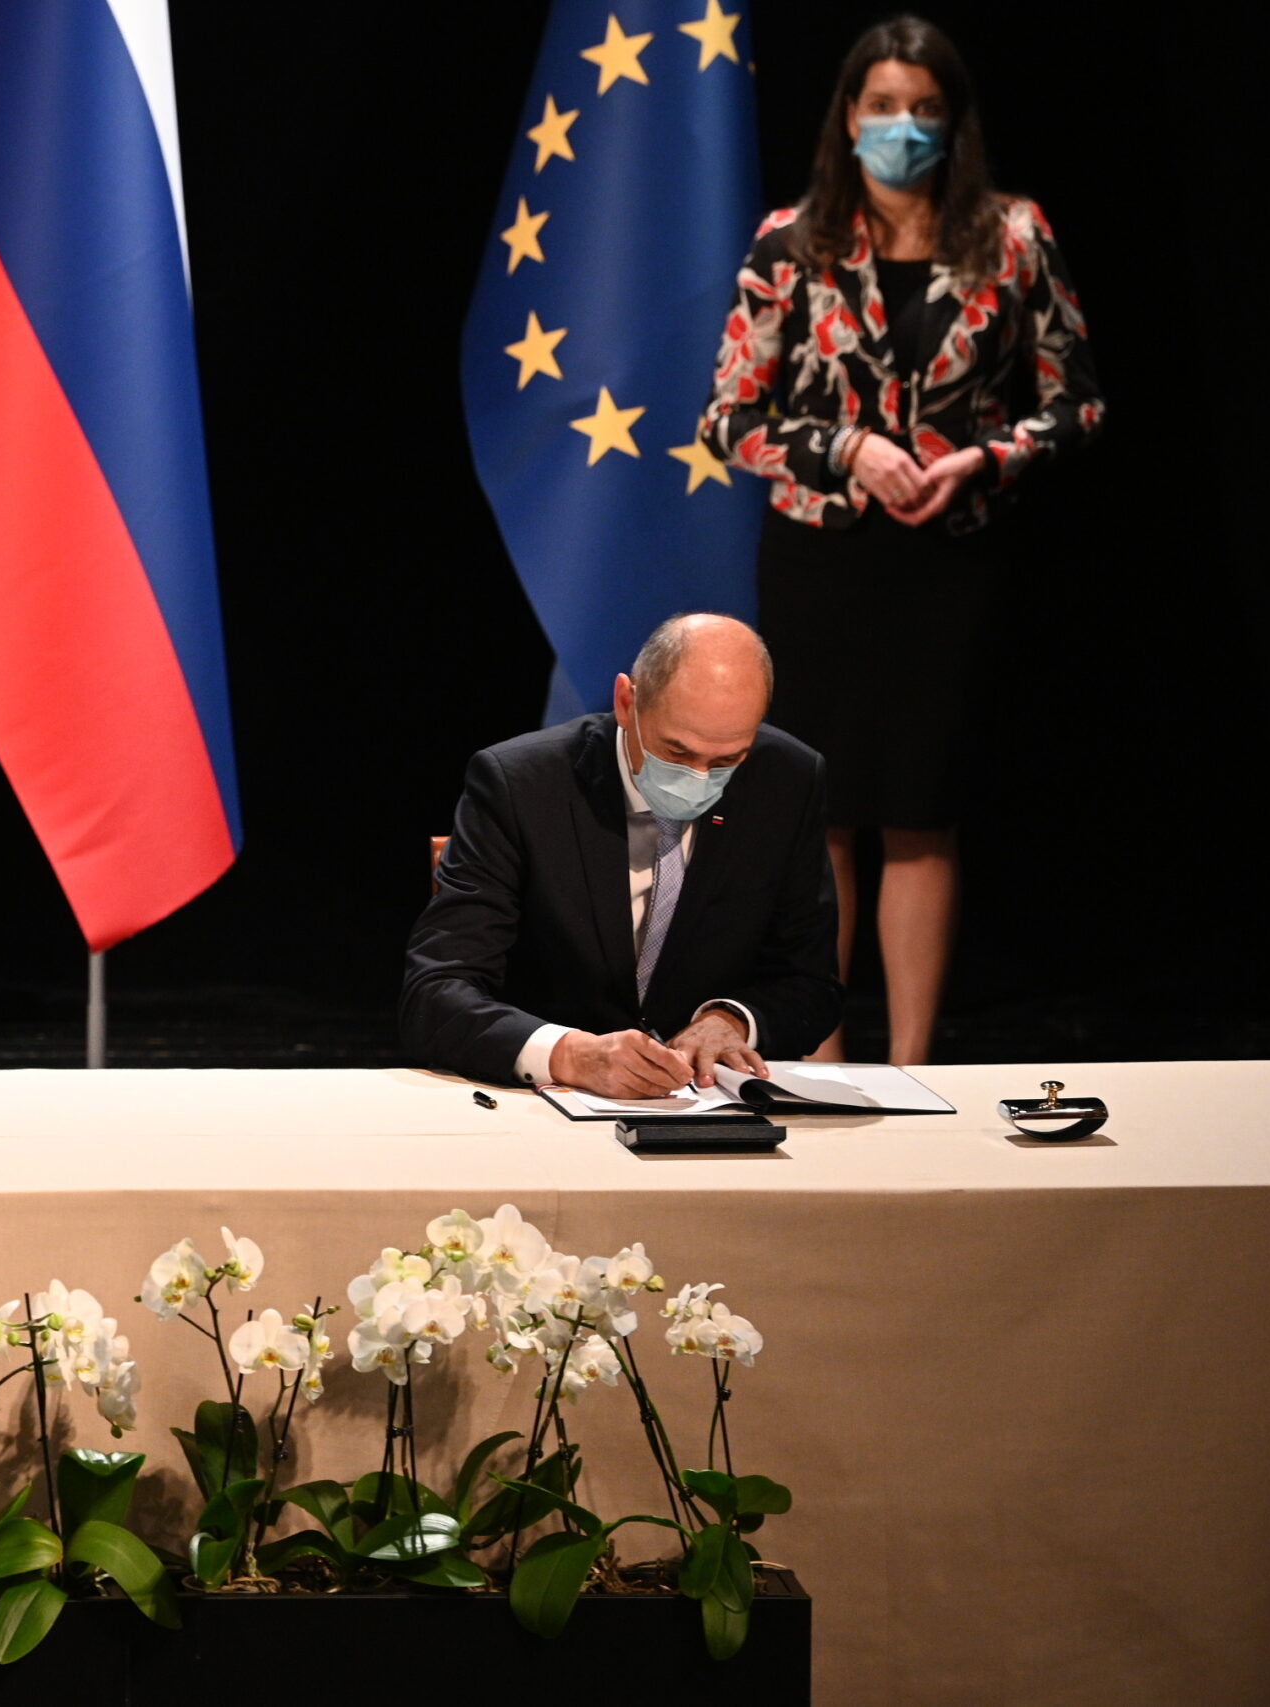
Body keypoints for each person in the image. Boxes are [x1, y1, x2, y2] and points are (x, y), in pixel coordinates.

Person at [696, 15, 1101, 1064]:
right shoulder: (790, 243)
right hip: (821, 562)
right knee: (821, 816)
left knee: (922, 813)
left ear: (952, 121)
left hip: (949, 563)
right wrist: (845, 449)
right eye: (882, 106)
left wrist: (988, 458)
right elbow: (728, 418)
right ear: (849, 116)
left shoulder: (1013, 236)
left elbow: (1076, 404)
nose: (902, 127)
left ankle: (914, 1071)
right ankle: (821, 1062)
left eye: (923, 108)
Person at [400, 614, 840, 1097]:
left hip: (708, 1103)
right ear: (627, 702)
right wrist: (569, 1054)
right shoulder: (521, 785)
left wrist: (732, 1019)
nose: (698, 778)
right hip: (541, 1102)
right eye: (676, 752)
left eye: (726, 760)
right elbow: (435, 994)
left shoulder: (788, 781)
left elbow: (811, 984)